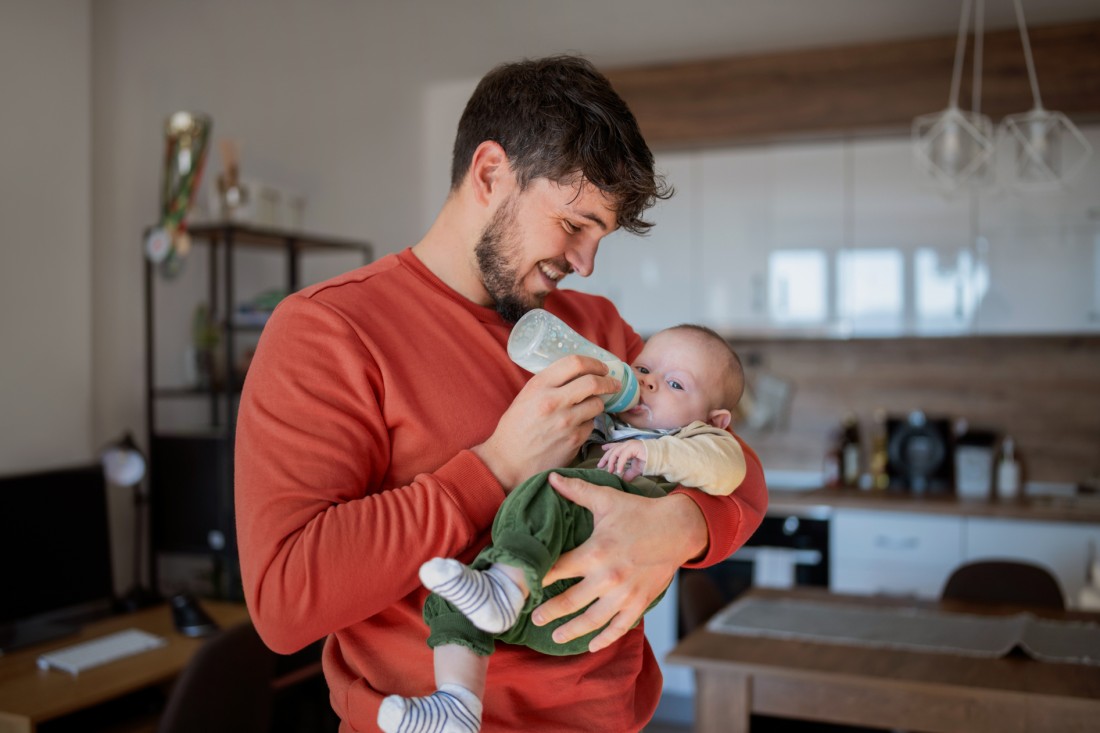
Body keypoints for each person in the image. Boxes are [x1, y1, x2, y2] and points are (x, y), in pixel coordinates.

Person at [235, 54, 768, 732]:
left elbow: (736, 466)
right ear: (490, 172)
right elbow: (285, 601)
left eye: (600, 236)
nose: (585, 263)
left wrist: (679, 527)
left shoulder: (596, 329)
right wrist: (494, 468)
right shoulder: (329, 331)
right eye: (575, 225)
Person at [379, 324, 748, 733]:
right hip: (543, 608)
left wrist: (652, 452)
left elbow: (730, 470)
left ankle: (504, 584)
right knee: (452, 600)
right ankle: (456, 703)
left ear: (715, 420)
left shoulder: (696, 438)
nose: (648, 383)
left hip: (597, 603)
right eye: (643, 368)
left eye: (675, 384)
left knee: (558, 489)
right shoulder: (605, 420)